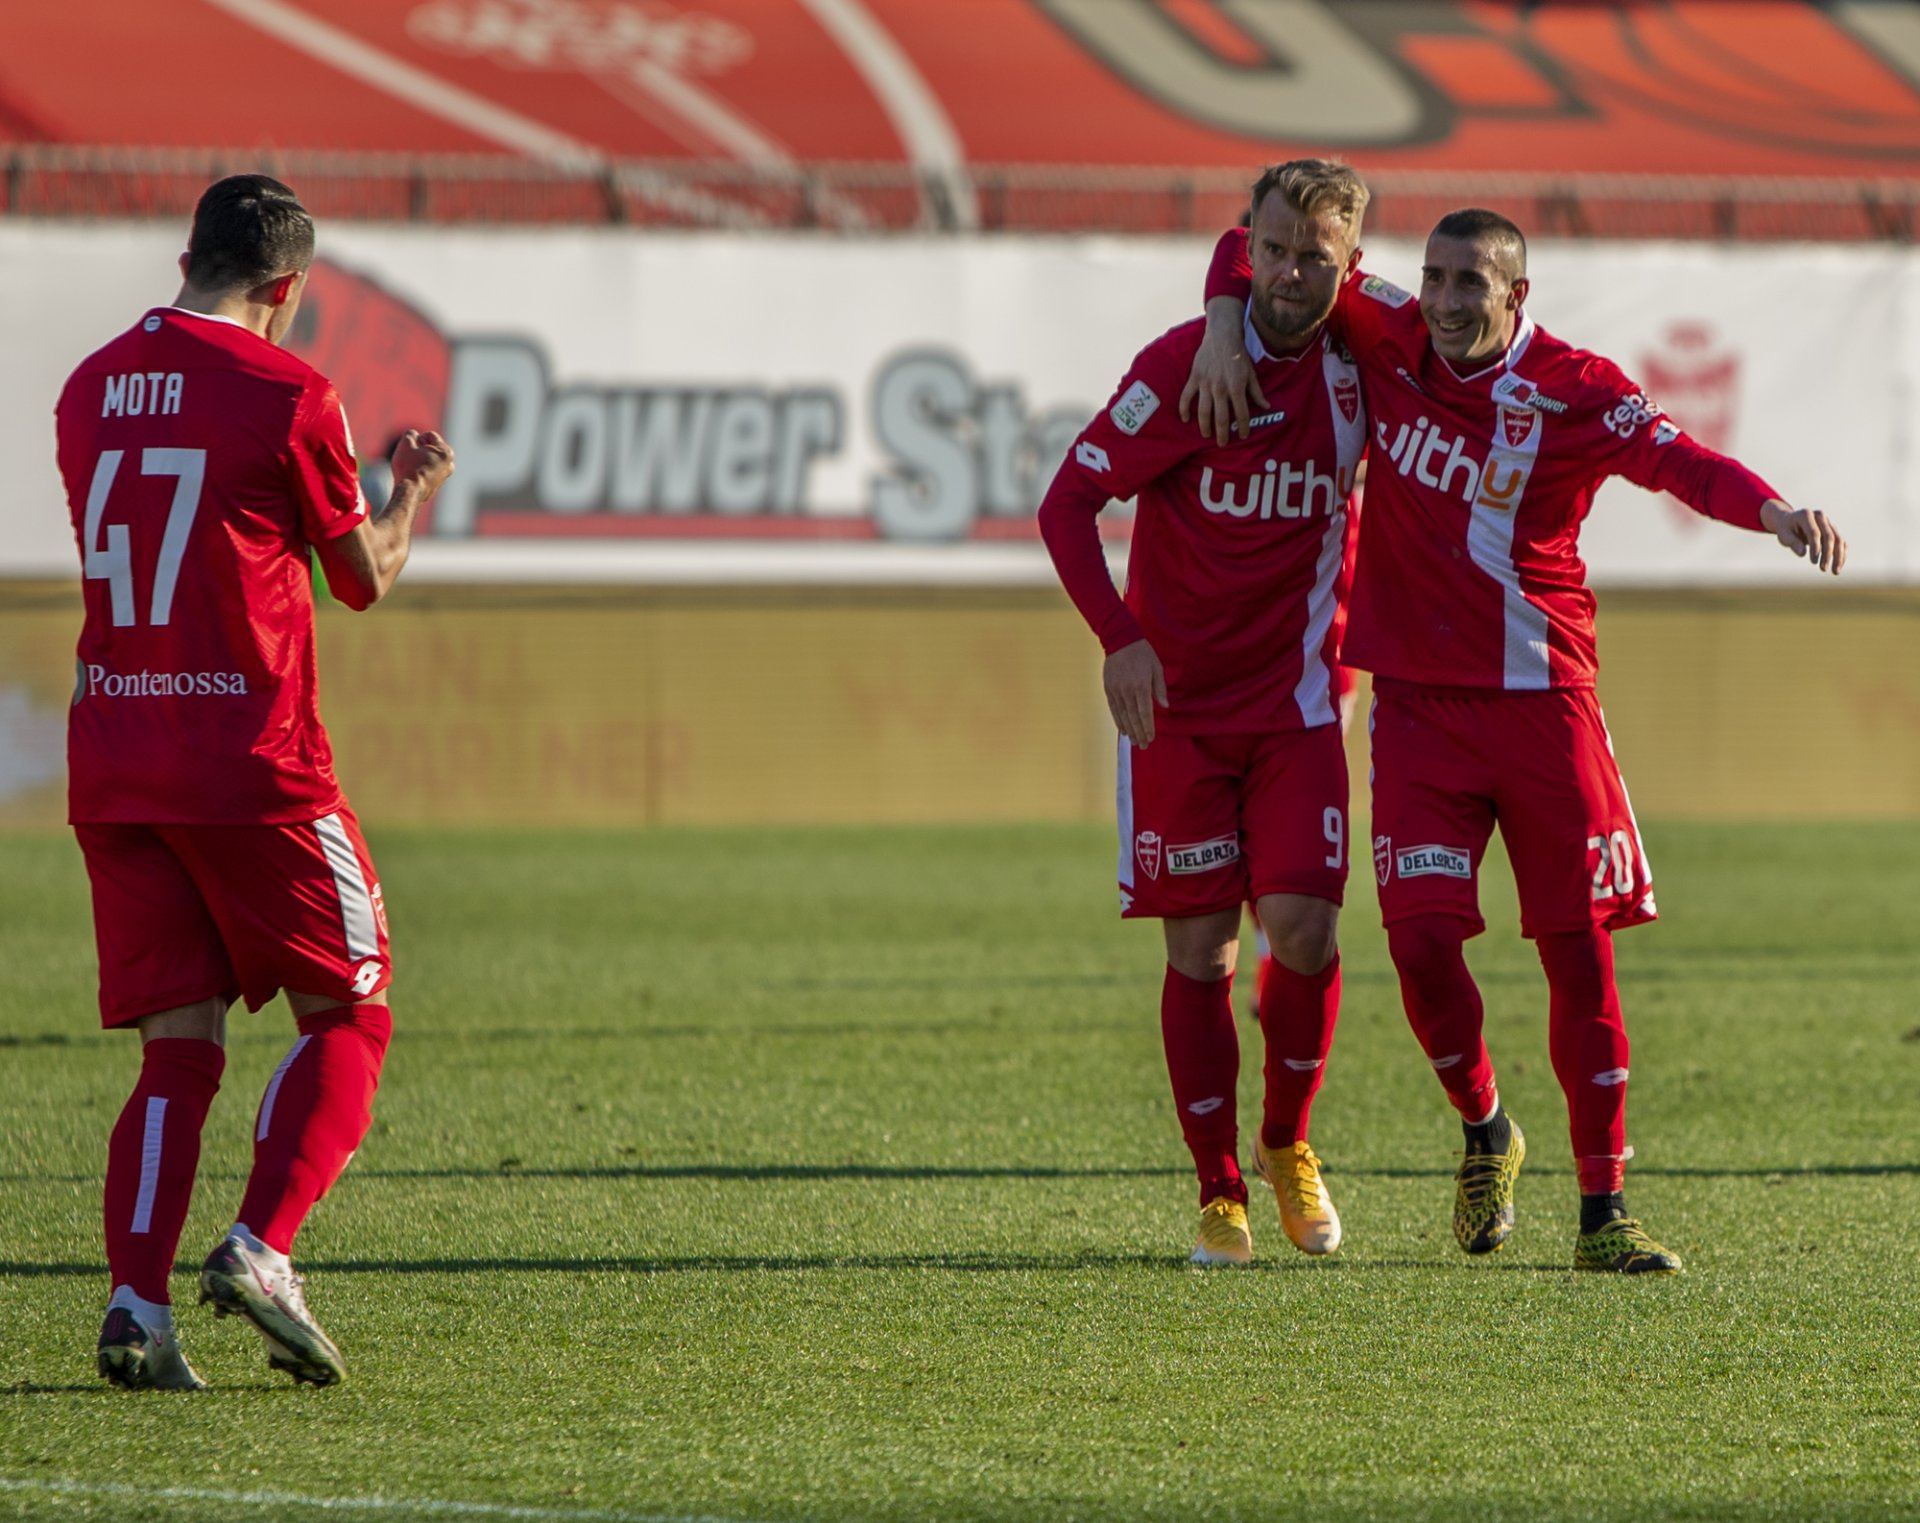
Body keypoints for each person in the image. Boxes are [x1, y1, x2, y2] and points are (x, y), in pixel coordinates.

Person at [1185, 196, 1845, 1273]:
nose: (1442, 302)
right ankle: (1487, 1124)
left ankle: (1605, 1213)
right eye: (1434, 278)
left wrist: (1772, 511)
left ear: (1515, 295)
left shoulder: (1577, 390)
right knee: (1420, 942)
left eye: (1469, 286)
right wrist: (1221, 323)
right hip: (1419, 713)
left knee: (1578, 954)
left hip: (1545, 706)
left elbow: (1685, 461)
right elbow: (1257, 245)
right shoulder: (1386, 323)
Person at [55, 174, 454, 1388]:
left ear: (189, 258)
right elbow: (361, 579)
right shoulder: (290, 392)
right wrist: (409, 494)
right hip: (252, 761)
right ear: (286, 288)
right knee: (357, 1006)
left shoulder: (85, 389)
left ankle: (138, 1306)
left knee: (177, 1048)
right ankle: (262, 1248)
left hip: (118, 760)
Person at [1038, 161, 1372, 1266]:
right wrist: (1119, 639)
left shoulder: (1368, 361)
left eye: (1312, 257)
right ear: (1248, 245)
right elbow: (1068, 503)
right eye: (1269, 250)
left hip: (1297, 708)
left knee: (1307, 932)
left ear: (1349, 266)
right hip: (1174, 712)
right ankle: (1218, 1187)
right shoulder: (1188, 367)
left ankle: (1286, 1141)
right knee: (1202, 951)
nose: (1287, 272)